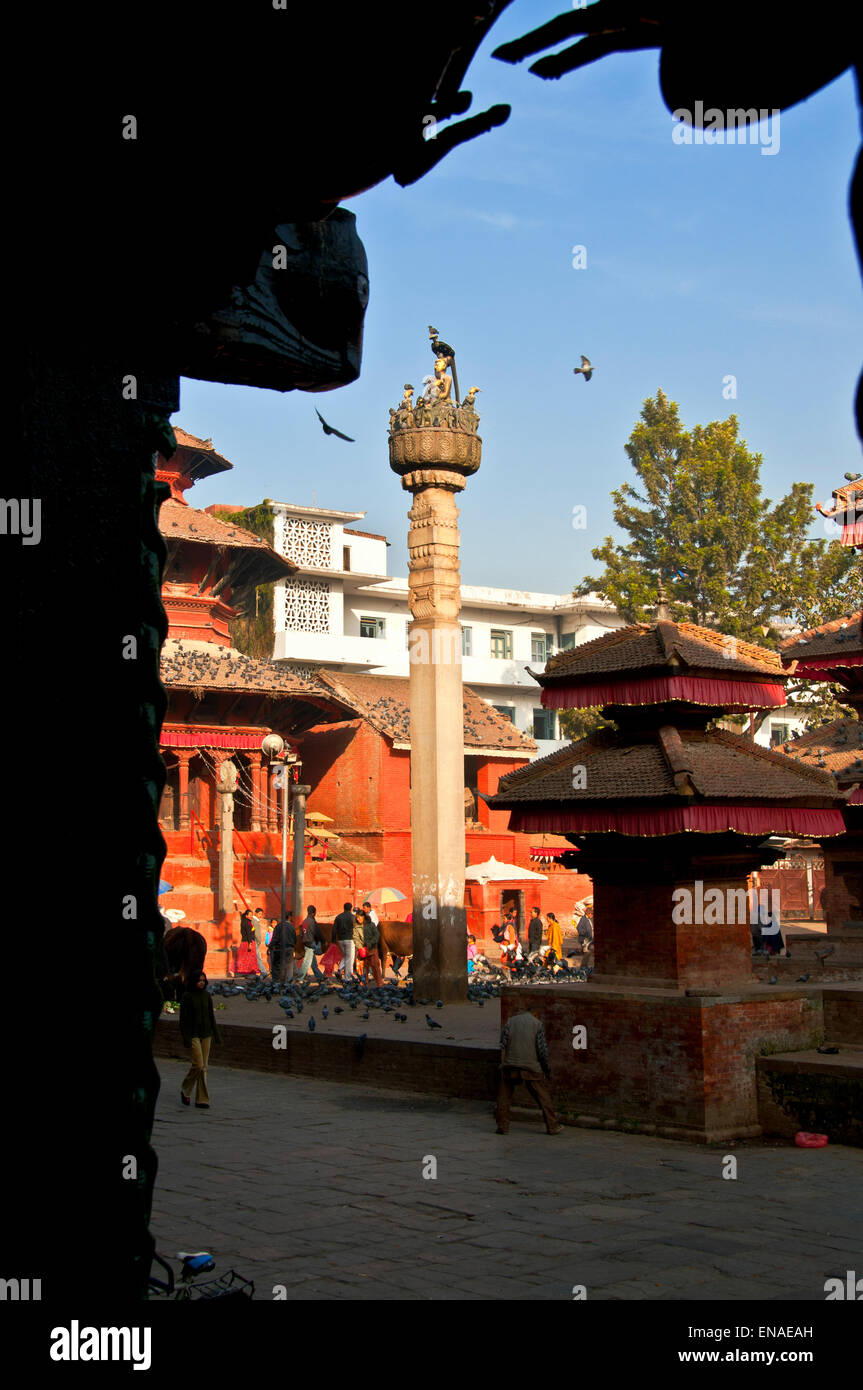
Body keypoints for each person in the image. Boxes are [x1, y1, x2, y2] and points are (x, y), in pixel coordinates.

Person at [495, 1007, 561, 1135]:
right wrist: (545, 1069)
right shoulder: (537, 1024)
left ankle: (502, 1126)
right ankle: (552, 1126)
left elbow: (502, 1044)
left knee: (504, 1096)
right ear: (534, 1013)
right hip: (531, 1066)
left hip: (510, 1064)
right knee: (543, 1096)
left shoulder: (510, 1022)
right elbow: (542, 1051)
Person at [180, 970, 220, 1109]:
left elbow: (211, 1016)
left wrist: (216, 1034)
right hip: (193, 1034)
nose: (202, 982)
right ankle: (186, 1087)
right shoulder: (187, 997)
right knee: (198, 1064)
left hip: (206, 1034)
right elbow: (183, 1020)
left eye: (203, 980)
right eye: (199, 980)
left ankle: (202, 1099)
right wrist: (185, 1038)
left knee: (203, 1068)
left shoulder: (207, 996)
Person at [297, 906, 326, 981]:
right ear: (314, 913)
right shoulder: (312, 922)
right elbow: (317, 933)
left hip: (306, 942)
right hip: (310, 943)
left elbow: (301, 933)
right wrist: (323, 941)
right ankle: (300, 978)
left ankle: (320, 977)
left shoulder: (305, 921)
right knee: (307, 962)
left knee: (313, 963)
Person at [356, 908, 383, 986]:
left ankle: (379, 983)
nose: (358, 919)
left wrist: (370, 943)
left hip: (372, 949)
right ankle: (364, 983)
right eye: (357, 918)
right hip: (362, 950)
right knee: (363, 968)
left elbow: (377, 935)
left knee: (375, 967)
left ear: (363, 917)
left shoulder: (371, 925)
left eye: (359, 917)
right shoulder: (357, 926)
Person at [268, 912, 296, 983]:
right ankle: (288, 982)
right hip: (289, 948)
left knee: (278, 966)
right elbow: (295, 939)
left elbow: (275, 938)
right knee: (289, 966)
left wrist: (270, 947)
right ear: (289, 917)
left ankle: (277, 982)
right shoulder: (291, 927)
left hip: (279, 949)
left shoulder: (278, 926)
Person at [333, 901, 357, 981]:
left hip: (340, 939)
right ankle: (348, 978)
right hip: (350, 939)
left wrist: (333, 940)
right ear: (351, 908)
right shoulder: (353, 917)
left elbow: (334, 929)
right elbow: (356, 929)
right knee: (350, 958)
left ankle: (340, 969)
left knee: (346, 956)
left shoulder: (338, 917)